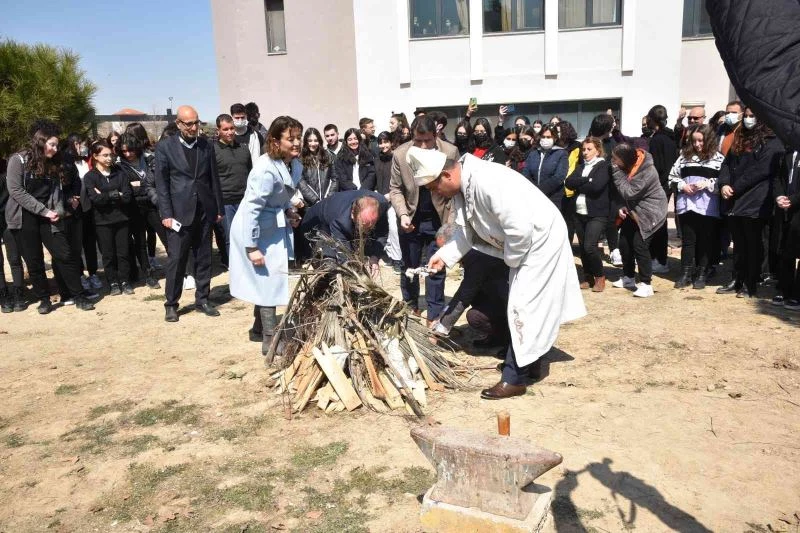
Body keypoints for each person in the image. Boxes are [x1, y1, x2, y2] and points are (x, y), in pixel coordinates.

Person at [415, 147, 586, 399]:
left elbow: (519, 229)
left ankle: (514, 378)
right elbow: (468, 231)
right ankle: (529, 365)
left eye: (433, 187)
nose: (434, 194)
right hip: (523, 245)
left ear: (446, 176)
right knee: (526, 306)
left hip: (538, 242)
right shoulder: (466, 185)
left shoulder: (487, 182)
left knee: (524, 305)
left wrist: (512, 261)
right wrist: (445, 256)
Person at [228, 116, 303, 360]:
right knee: (268, 280)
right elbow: (252, 208)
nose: (296, 143)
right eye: (290, 139)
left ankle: (258, 328)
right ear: (274, 140)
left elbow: (281, 195)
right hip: (254, 228)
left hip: (271, 224)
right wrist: (251, 247)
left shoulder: (293, 163)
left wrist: (290, 210)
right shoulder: (264, 168)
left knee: (266, 279)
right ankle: (270, 341)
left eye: (298, 138)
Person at [6, 120, 95, 313]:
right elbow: (16, 190)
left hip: (49, 216)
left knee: (65, 254)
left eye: (56, 145)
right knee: (34, 259)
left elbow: (56, 190)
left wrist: (58, 209)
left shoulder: (54, 162)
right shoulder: (18, 160)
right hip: (25, 217)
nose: (55, 149)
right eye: (52, 144)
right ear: (40, 141)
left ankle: (78, 295)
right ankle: (44, 299)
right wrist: (43, 210)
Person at [155, 105, 224, 322]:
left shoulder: (206, 146)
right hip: (178, 213)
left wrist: (219, 209)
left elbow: (214, 179)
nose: (194, 127)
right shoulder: (165, 147)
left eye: (196, 122)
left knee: (204, 257)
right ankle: (171, 304)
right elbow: (162, 184)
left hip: (204, 211)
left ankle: (203, 298)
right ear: (178, 124)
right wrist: (166, 213)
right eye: (189, 124)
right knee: (177, 258)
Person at [389, 116, 458, 323]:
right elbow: (395, 189)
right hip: (411, 219)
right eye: (418, 141)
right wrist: (402, 214)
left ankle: (435, 313)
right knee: (409, 267)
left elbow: (455, 192)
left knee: (436, 268)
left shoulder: (450, 152)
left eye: (427, 141)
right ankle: (410, 308)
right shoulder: (400, 155)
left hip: (439, 219)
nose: (423, 145)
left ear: (435, 135)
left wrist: (450, 224)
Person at [716, 108, 784, 299]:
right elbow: (727, 164)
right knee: (738, 243)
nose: (747, 119)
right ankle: (736, 279)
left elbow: (761, 170)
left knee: (753, 244)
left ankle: (750, 283)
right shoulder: (739, 137)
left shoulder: (772, 141)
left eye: (752, 116)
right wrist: (724, 184)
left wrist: (735, 187)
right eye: (745, 116)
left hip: (756, 199)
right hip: (734, 199)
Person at [668, 124, 724, 289]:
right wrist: (682, 186)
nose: (698, 144)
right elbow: (672, 177)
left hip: (707, 207)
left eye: (701, 140)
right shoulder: (683, 157)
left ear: (708, 140)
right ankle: (685, 273)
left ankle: (702, 273)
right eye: (694, 141)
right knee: (688, 240)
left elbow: (723, 181)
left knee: (705, 241)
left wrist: (707, 183)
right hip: (687, 205)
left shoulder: (718, 159)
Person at [609, 143, 669, 298]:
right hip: (633, 211)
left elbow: (629, 191)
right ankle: (628, 277)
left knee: (639, 245)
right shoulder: (625, 168)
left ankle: (646, 284)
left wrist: (615, 172)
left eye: (616, 159)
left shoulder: (647, 170)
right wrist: (622, 206)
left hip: (651, 212)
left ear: (626, 159)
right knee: (624, 243)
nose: (613, 162)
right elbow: (623, 194)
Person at [84, 140, 135, 295]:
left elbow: (127, 197)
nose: (109, 158)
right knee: (108, 254)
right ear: (95, 156)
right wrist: (115, 194)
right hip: (102, 222)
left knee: (123, 252)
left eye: (110, 155)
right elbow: (95, 199)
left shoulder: (120, 173)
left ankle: (125, 281)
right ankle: (112, 282)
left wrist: (106, 195)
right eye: (104, 155)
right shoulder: (90, 177)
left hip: (121, 219)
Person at [299, 189, 389, 272]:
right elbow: (344, 253)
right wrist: (351, 270)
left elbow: (382, 234)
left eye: (371, 226)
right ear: (353, 214)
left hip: (342, 215)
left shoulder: (381, 204)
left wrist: (374, 257)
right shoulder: (340, 220)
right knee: (330, 266)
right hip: (316, 224)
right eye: (363, 225)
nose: (366, 229)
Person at [564, 137, 611, 292]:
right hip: (579, 212)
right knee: (583, 248)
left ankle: (599, 276)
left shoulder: (603, 166)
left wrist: (580, 184)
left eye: (589, 149)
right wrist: (586, 180)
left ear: (597, 150)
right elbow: (569, 182)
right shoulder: (581, 166)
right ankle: (588, 276)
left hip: (597, 213)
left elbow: (596, 187)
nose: (585, 152)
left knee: (590, 246)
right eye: (584, 149)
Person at [117, 134, 161, 289]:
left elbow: (155, 181)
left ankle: (182, 271)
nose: (128, 154)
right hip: (134, 208)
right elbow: (125, 188)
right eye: (124, 151)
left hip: (153, 204)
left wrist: (139, 186)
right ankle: (148, 274)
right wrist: (138, 187)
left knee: (166, 236)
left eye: (130, 150)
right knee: (140, 242)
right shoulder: (119, 166)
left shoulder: (149, 160)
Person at [213, 114, 252, 267]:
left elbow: (250, 174)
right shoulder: (213, 151)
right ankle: (234, 269)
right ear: (218, 130)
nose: (229, 132)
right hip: (225, 203)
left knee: (246, 236)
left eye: (231, 128)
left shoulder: (244, 149)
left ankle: (246, 268)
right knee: (230, 238)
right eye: (225, 129)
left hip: (244, 201)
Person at [645, 105, 679, 275]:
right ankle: (658, 258)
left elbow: (657, 167)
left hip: (659, 187)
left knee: (658, 225)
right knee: (660, 223)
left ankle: (660, 259)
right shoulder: (670, 136)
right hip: (666, 185)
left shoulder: (658, 139)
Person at [773, 147, 800, 310]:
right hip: (785, 208)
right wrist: (779, 196)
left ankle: (798, 294)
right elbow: (778, 178)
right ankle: (784, 289)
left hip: (797, 205)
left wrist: (793, 199)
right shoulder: (788, 153)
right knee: (785, 249)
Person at [0, 164, 27, 312]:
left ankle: (18, 293)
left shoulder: (7, 168)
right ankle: (3, 294)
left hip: (8, 218)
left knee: (14, 258)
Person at [374, 131, 402, 271]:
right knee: (382, 229)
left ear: (391, 143)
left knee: (393, 227)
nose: (383, 145)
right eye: (380, 142)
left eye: (386, 142)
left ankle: (397, 259)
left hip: (393, 199)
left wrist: (392, 194)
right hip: (379, 199)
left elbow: (401, 180)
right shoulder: (376, 160)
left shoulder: (396, 158)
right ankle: (389, 255)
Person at [522, 124, 567, 210]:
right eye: (543, 136)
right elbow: (526, 172)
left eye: (549, 137)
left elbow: (559, 176)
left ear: (555, 138)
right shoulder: (533, 153)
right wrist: (534, 189)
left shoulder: (561, 153)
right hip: (533, 196)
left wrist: (540, 190)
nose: (545, 139)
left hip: (553, 198)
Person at [298, 127, 337, 205]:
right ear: (306, 142)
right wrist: (315, 200)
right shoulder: (300, 158)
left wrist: (328, 197)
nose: (313, 144)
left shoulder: (328, 156)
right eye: (310, 141)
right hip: (310, 204)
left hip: (328, 202)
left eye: (316, 140)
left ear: (319, 141)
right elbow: (301, 182)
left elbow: (334, 178)